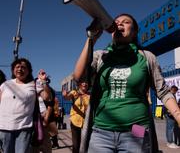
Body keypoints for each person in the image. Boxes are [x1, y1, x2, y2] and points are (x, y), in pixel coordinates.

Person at [73, 14, 180, 153]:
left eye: (126, 22)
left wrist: (178, 115)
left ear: (134, 31)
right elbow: (78, 76)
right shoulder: (100, 56)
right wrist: (91, 39)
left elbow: (163, 91)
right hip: (101, 132)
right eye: (116, 22)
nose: (119, 24)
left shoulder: (146, 57)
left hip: (137, 130)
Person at [0, 58, 50, 153]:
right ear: (13, 69)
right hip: (4, 127)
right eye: (17, 67)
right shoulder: (5, 84)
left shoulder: (34, 84)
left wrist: (43, 82)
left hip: (24, 128)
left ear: (28, 70)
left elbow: (47, 97)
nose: (20, 69)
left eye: (23, 67)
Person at [30, 69, 59, 152]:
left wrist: (46, 120)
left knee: (46, 145)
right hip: (33, 121)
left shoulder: (49, 90)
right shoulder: (32, 89)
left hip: (44, 120)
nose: (39, 83)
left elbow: (49, 103)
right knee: (34, 146)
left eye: (41, 82)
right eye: (37, 81)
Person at [62, 81, 90, 153]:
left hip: (86, 122)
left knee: (85, 143)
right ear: (79, 84)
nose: (84, 83)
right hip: (75, 121)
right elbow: (68, 97)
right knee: (76, 144)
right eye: (83, 82)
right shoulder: (75, 93)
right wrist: (65, 95)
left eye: (86, 83)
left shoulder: (89, 95)